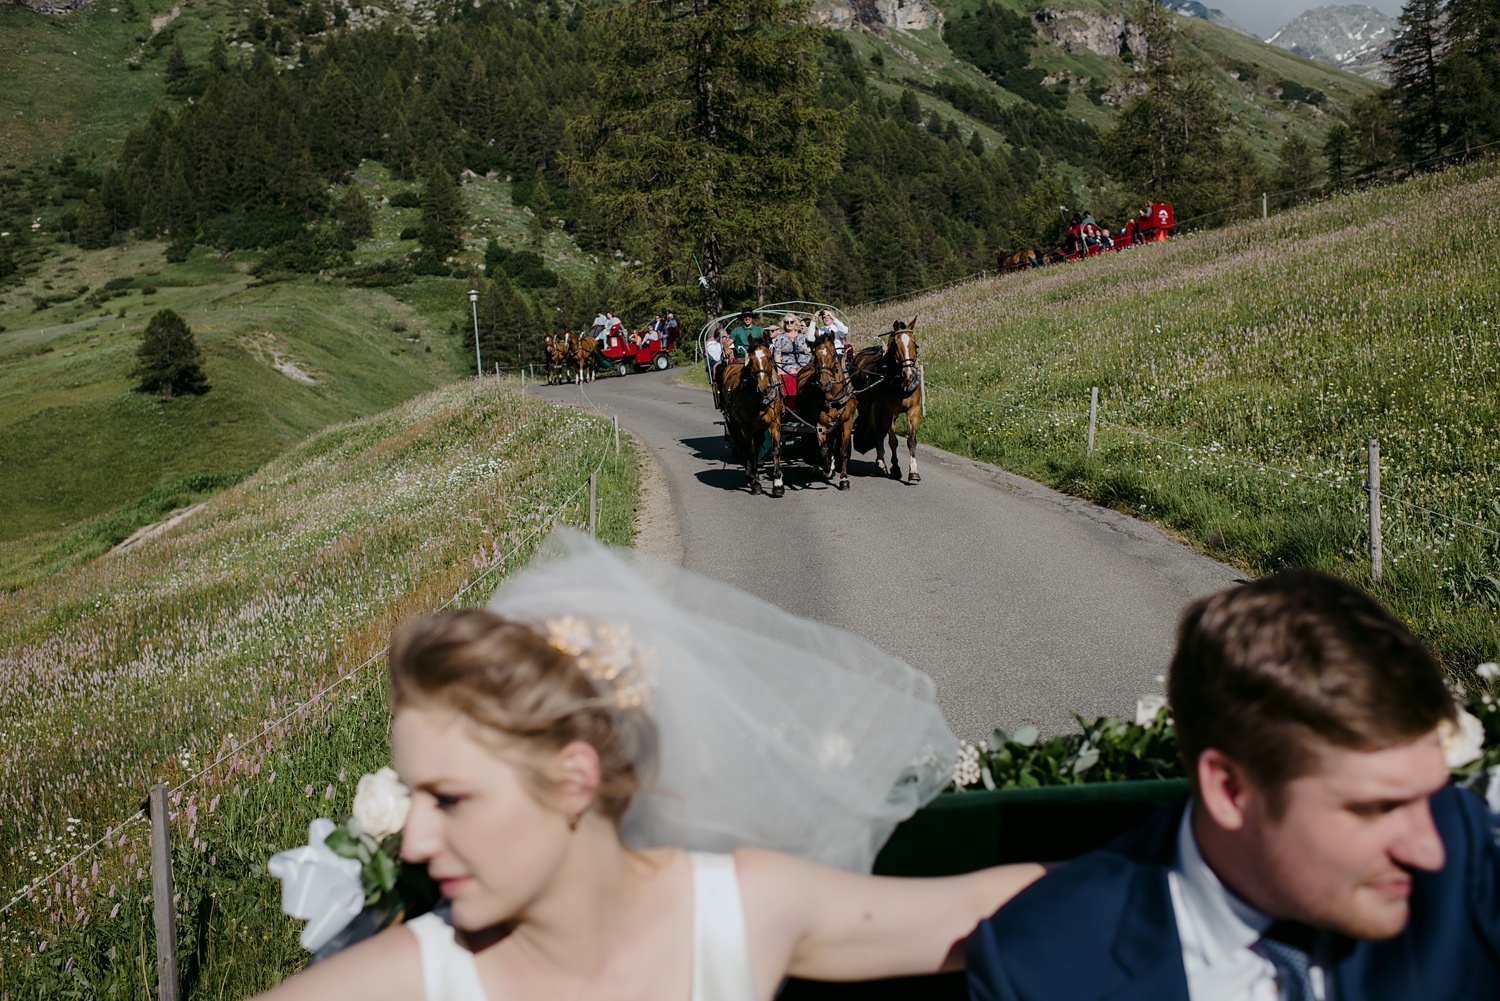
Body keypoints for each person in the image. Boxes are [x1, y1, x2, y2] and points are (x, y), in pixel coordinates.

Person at [259, 532, 1043, 1001]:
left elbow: (977, 908)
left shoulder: (743, 911)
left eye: (450, 798)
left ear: (573, 778)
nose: (414, 843)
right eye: (413, 796)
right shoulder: (409, 980)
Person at [968, 569, 1500, 1001]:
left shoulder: (1467, 853)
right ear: (1230, 791)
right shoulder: (1045, 972)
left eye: (1431, 794)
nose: (1429, 851)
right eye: (1376, 808)